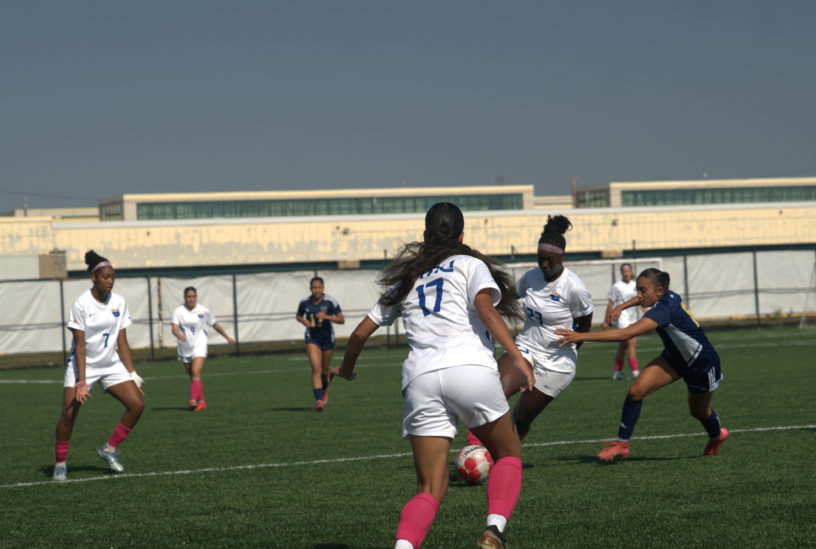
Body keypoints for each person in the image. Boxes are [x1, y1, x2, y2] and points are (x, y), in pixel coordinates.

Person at [330, 202, 534, 549]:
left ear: (424, 236)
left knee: (430, 489)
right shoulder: (470, 264)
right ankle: (494, 530)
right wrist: (518, 358)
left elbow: (359, 334)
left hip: (420, 378)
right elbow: (485, 309)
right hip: (469, 369)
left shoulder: (408, 277)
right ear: (462, 235)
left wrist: (346, 370)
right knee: (508, 454)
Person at [556, 268, 728, 462]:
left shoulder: (663, 310)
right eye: (637, 289)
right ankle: (622, 445)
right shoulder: (667, 296)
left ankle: (717, 435)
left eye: (642, 290)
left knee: (698, 411)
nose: (638, 295)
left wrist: (580, 336)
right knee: (636, 391)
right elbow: (640, 300)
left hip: (702, 363)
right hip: (674, 358)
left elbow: (625, 334)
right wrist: (621, 307)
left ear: (659, 291)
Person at [468, 215, 593, 446]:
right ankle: (474, 449)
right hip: (526, 348)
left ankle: (502, 456)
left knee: (521, 418)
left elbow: (584, 326)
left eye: (550, 260)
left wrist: (572, 343)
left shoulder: (574, 288)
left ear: (561, 257)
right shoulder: (531, 278)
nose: (544, 265)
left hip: (557, 362)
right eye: (540, 259)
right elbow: (507, 297)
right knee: (492, 393)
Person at [52, 250, 145, 481]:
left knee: (137, 405)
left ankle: (109, 449)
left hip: (110, 364)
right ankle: (61, 463)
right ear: (94, 277)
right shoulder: (81, 304)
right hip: (83, 365)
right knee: (68, 415)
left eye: (113, 276)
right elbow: (80, 345)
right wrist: (81, 381)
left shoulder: (119, 302)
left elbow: (121, 340)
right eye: (106, 276)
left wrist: (132, 373)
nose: (110, 281)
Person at [171, 286, 236, 411]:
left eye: (193, 296)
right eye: (188, 297)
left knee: (195, 372)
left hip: (199, 345)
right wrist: (179, 335)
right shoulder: (179, 311)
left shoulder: (203, 311)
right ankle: (202, 402)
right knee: (193, 376)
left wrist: (227, 337)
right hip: (184, 347)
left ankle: (193, 401)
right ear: (184, 298)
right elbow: (174, 328)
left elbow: (215, 325)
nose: (191, 299)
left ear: (196, 297)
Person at [296, 277, 344, 411]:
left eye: (319, 287)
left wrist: (327, 317)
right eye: (314, 288)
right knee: (316, 369)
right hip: (312, 338)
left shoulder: (330, 301)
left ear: (323, 288)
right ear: (310, 288)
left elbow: (341, 319)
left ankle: (324, 390)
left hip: (327, 338)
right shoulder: (305, 302)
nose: (316, 290)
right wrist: (303, 321)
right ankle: (319, 402)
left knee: (324, 371)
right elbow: (299, 315)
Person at [603, 263, 641, 380]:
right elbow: (611, 304)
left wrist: (648, 311)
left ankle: (617, 372)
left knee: (623, 345)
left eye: (628, 270)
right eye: (624, 271)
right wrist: (606, 320)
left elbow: (640, 300)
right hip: (622, 317)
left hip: (633, 317)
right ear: (621, 272)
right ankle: (635, 372)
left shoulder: (636, 285)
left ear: (631, 271)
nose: (626, 273)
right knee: (632, 342)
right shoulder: (617, 286)